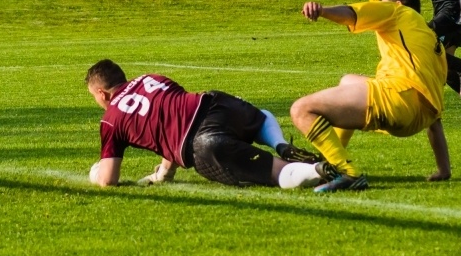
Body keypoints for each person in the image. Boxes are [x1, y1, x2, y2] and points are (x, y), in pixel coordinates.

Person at [290, 0, 451, 192]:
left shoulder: (397, 11)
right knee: (348, 81)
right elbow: (435, 122)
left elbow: (352, 13)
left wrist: (322, 10)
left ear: (398, 3)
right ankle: (330, 162)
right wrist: (443, 169)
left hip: (396, 99)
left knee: (301, 110)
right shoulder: (431, 41)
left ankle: (347, 173)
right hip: (418, 118)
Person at [84, 59, 328, 189]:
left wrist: (95, 174)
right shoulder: (150, 78)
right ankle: (280, 143)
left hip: (202, 143)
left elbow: (108, 180)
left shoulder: (110, 120)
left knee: (276, 172)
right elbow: (174, 117)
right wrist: (164, 174)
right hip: (215, 104)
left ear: (102, 93)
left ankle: (319, 171)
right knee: (259, 115)